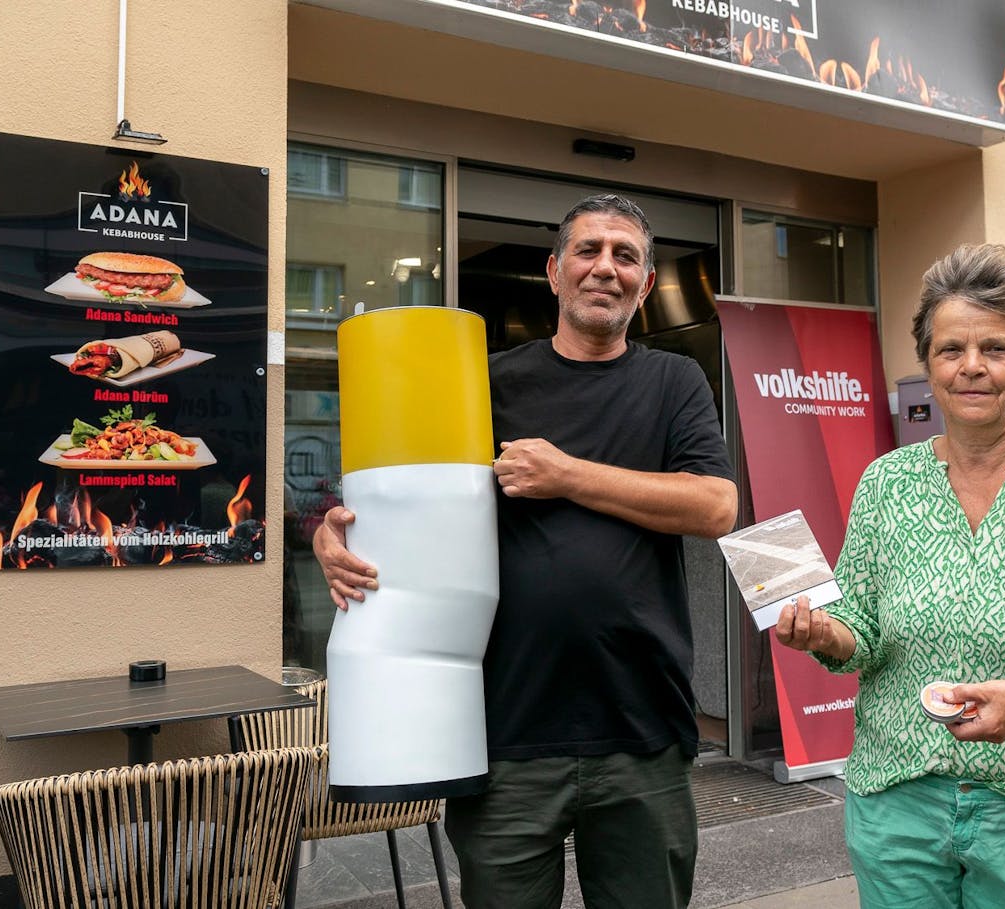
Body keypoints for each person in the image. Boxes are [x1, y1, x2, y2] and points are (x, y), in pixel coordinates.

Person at [314, 194, 737, 909]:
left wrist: (567, 475)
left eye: (625, 255)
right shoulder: (485, 383)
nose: (606, 267)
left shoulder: (672, 383)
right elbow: (392, 497)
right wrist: (332, 534)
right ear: (554, 271)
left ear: (643, 280)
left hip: (643, 728)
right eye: (589, 250)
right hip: (504, 730)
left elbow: (715, 506)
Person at [772, 243, 1005, 909]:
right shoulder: (888, 481)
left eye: (996, 348)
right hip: (898, 805)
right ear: (928, 365)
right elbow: (863, 625)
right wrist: (824, 631)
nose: (971, 366)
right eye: (950, 350)